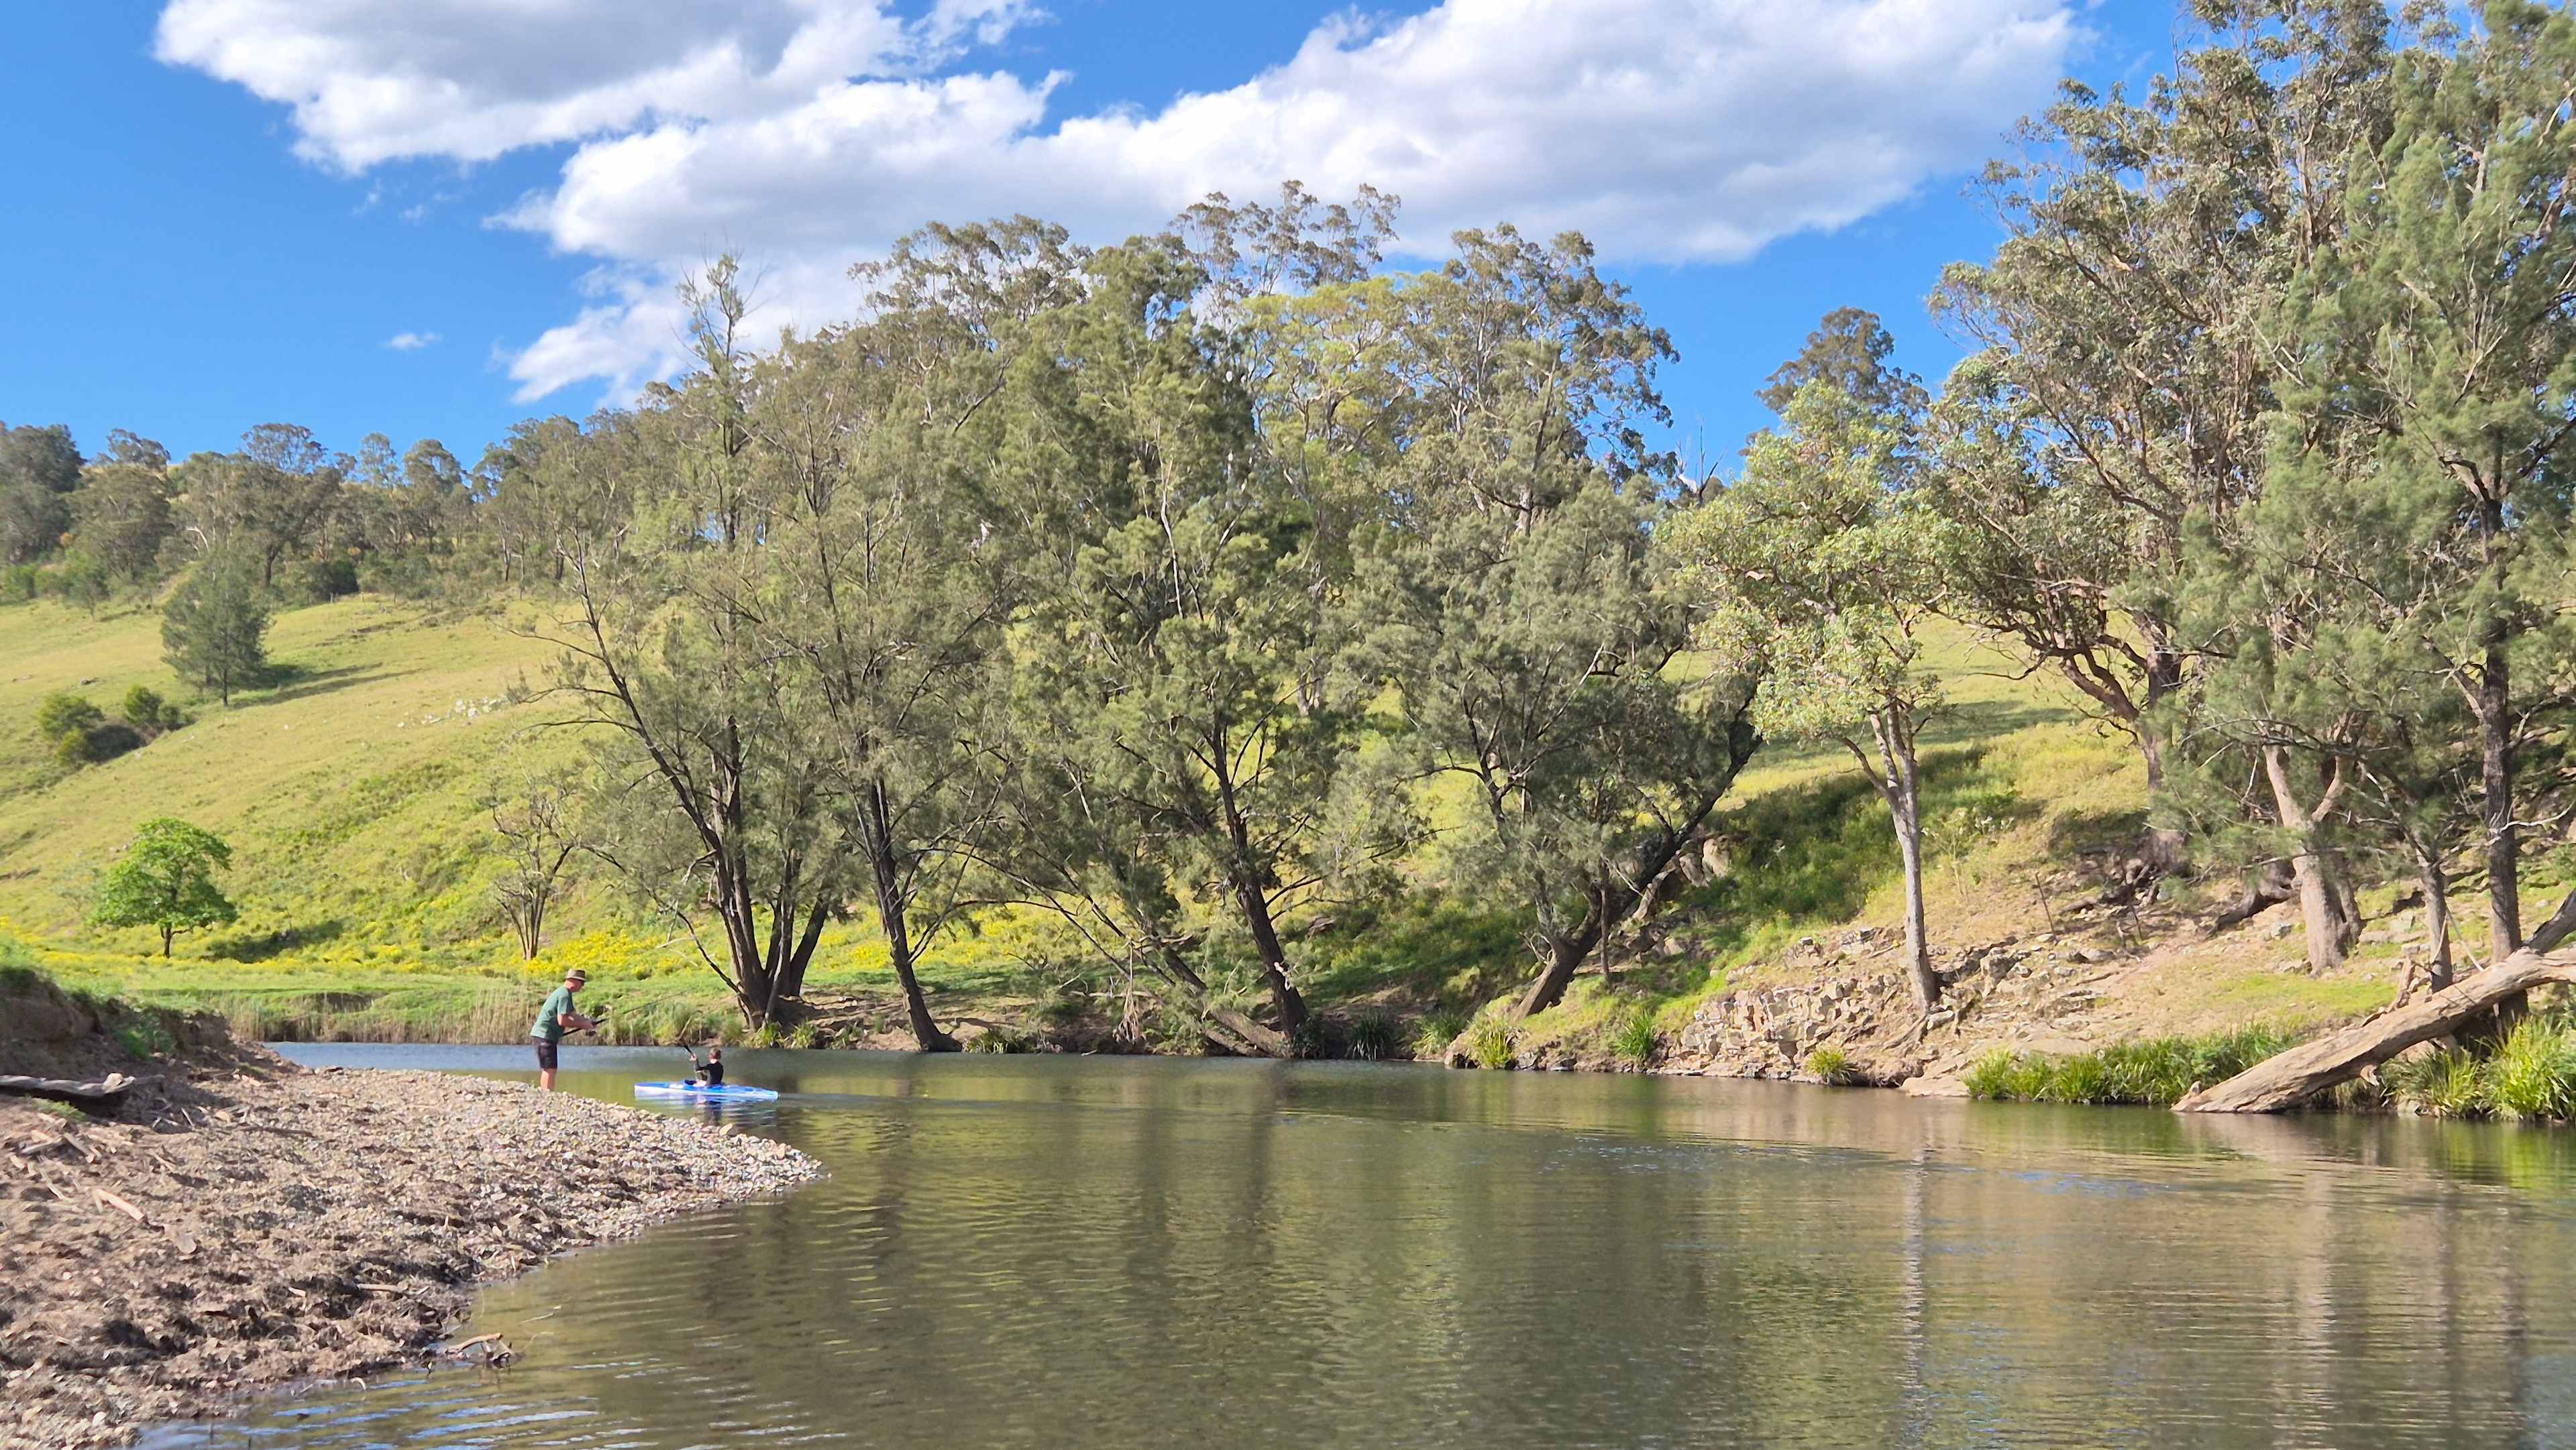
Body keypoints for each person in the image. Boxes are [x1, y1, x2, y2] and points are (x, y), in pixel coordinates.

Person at [528, 968, 599, 1091]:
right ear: (574, 981)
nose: (582, 986)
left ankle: (546, 1093)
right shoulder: (564, 994)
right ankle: (547, 1094)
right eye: (582, 983)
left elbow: (571, 1014)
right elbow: (563, 1021)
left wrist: (587, 1022)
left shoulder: (563, 993)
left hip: (545, 1035)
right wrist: (584, 1026)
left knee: (549, 1067)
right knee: (549, 1068)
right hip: (545, 1034)